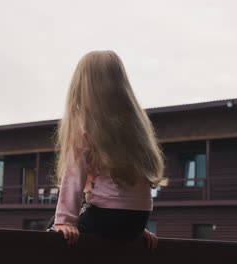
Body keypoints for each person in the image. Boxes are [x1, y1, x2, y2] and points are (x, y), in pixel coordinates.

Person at [49, 50, 168, 249]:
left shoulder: (84, 122)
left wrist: (65, 221)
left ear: (82, 85)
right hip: (137, 219)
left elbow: (74, 175)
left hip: (107, 217)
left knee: (52, 230)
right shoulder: (135, 122)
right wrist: (137, 229)